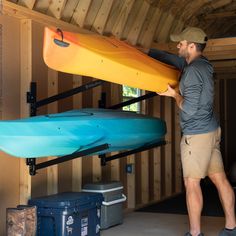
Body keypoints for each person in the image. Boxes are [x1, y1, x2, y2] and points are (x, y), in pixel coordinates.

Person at [148, 27, 236, 236]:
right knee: (220, 179)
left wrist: (174, 94)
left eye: (181, 42)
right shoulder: (203, 64)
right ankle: (232, 228)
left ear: (192, 46)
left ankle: (195, 234)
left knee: (191, 183)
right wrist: (150, 52)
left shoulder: (193, 71)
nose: (178, 45)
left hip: (196, 136)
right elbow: (181, 63)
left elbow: (189, 107)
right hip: (211, 131)